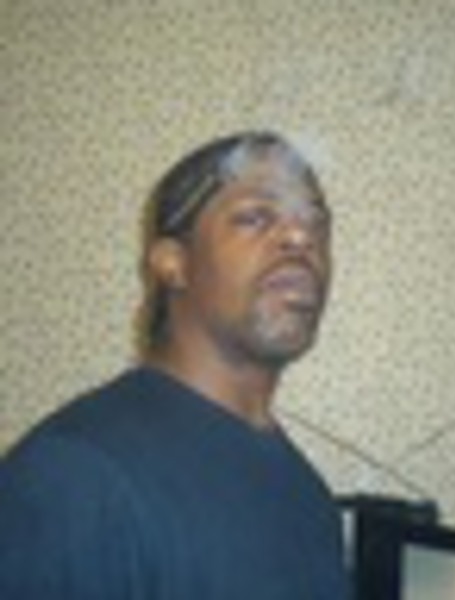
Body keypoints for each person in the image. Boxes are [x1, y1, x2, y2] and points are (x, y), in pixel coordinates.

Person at [0, 131, 351, 600]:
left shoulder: (310, 496)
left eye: (317, 224)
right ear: (172, 264)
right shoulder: (75, 479)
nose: (301, 237)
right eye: (255, 217)